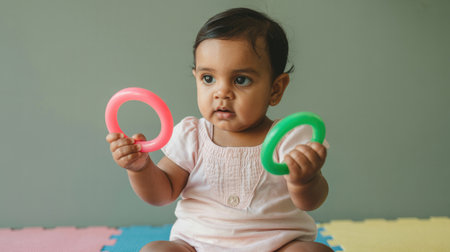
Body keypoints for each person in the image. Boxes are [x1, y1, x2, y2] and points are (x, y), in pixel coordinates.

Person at [106, 7, 332, 252]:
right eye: (208, 78)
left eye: (240, 79)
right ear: (196, 78)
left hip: (276, 246)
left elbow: (311, 202)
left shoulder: (289, 138)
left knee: (314, 251)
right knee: (155, 250)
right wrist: (140, 169)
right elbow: (162, 193)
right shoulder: (192, 136)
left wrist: (305, 180)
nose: (221, 92)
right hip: (197, 246)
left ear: (275, 89)